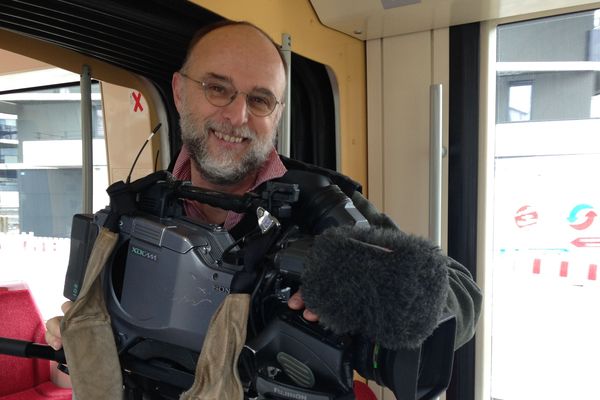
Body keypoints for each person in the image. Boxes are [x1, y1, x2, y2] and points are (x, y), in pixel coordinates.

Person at [46, 18, 481, 373]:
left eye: (260, 100)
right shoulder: (135, 209)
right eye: (217, 88)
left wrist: (363, 288)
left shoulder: (321, 207)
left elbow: (462, 298)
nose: (237, 116)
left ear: (277, 114)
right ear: (179, 92)